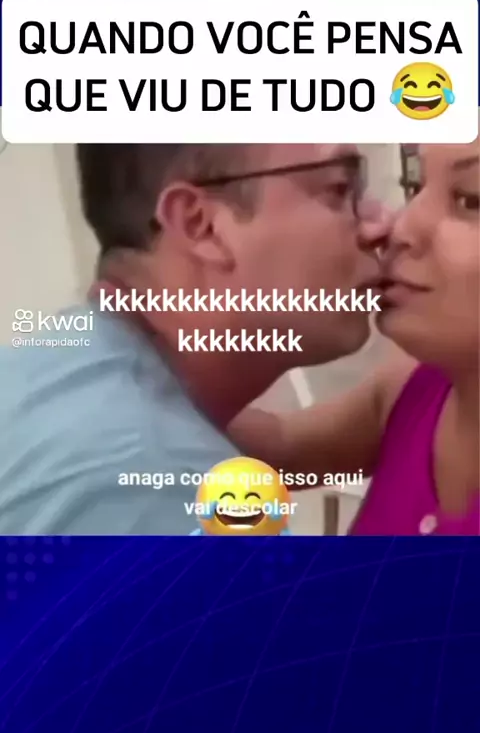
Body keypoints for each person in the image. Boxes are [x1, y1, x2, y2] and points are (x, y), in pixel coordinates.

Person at [0, 143, 387, 535]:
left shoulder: (39, 376)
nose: (382, 224)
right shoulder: (176, 497)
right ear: (200, 224)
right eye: (340, 189)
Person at [229, 138, 480, 535]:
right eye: (414, 186)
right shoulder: (414, 388)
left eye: (470, 200)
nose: (400, 227)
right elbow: (277, 451)